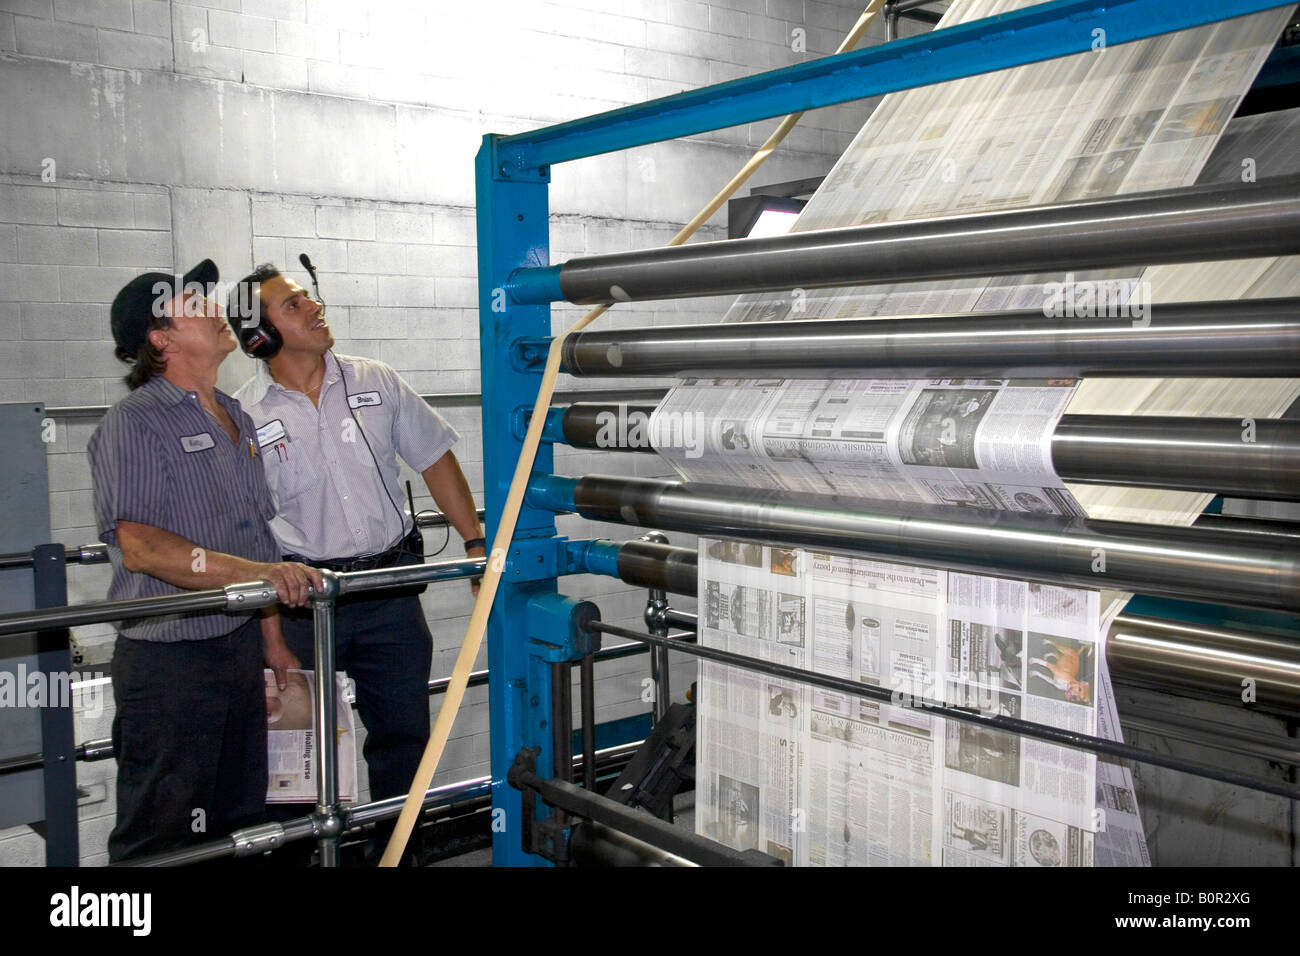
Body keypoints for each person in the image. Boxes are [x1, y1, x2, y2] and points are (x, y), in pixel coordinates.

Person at [228, 263, 485, 833]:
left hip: (388, 592)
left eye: (308, 298)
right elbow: (244, 523)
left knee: (402, 741)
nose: (314, 307)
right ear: (260, 336)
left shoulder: (376, 380)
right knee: (297, 757)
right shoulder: (243, 414)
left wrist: (474, 543)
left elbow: (435, 458)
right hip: (301, 604)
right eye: (293, 305)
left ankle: (397, 850)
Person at [89, 260, 323, 862]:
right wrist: (264, 578)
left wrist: (271, 638)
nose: (215, 310)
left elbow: (257, 540)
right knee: (162, 832)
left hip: (238, 649)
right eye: (194, 305)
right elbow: (141, 547)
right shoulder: (134, 423)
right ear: (160, 340)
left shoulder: (236, 416)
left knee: (237, 822)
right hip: (171, 662)